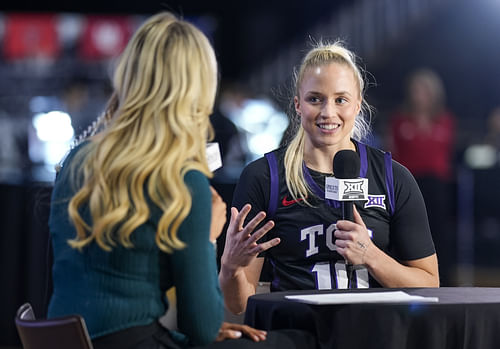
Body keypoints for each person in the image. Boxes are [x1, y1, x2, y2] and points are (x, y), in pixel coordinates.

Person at [47, 12, 315, 349]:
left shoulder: (76, 159)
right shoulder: (181, 181)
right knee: (299, 342)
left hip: (65, 340)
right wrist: (207, 238)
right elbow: (201, 328)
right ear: (198, 89)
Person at [219, 41, 440, 315]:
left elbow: (430, 284)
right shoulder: (264, 178)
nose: (328, 112)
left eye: (341, 99)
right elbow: (237, 304)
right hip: (294, 337)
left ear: (358, 104)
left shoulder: (394, 178)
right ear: (297, 105)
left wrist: (371, 256)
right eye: (315, 99)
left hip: (372, 336)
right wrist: (230, 267)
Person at [388, 68, 456, 286]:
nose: (418, 94)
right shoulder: (400, 119)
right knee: (407, 231)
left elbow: (444, 153)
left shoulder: (445, 120)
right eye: (415, 90)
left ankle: (443, 279)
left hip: (436, 186)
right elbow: (394, 153)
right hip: (409, 184)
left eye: (423, 90)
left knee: (439, 234)